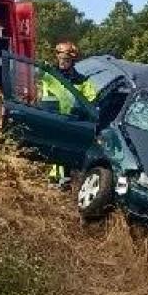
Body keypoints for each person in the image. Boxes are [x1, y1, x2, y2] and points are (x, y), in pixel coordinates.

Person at [39, 41, 96, 186]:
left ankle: (62, 182)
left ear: (72, 60)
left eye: (67, 59)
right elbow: (30, 74)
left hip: (69, 121)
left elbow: (91, 101)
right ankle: (50, 178)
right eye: (61, 59)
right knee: (48, 149)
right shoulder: (49, 73)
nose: (63, 62)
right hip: (50, 117)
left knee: (63, 152)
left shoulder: (81, 81)